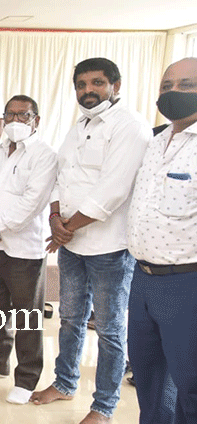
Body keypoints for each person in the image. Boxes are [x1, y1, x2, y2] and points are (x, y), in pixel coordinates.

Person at [31, 58, 151, 424]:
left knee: (110, 331)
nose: (88, 91)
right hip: (72, 246)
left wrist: (66, 226)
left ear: (116, 86)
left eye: (97, 83)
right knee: (70, 320)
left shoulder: (130, 126)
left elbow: (113, 190)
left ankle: (104, 406)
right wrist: (55, 218)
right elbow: (60, 178)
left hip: (109, 249)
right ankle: (65, 383)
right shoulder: (78, 127)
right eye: (81, 85)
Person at [0, 95, 58, 405]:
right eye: (10, 115)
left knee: (27, 316)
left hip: (24, 249)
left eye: (23, 115)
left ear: (36, 120)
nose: (15, 121)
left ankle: (27, 379)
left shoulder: (44, 155)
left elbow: (32, 202)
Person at [128, 57, 197, 424]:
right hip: (142, 279)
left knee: (191, 385)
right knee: (148, 376)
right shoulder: (156, 141)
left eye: (186, 85)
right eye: (167, 86)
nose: (174, 93)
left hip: (186, 282)